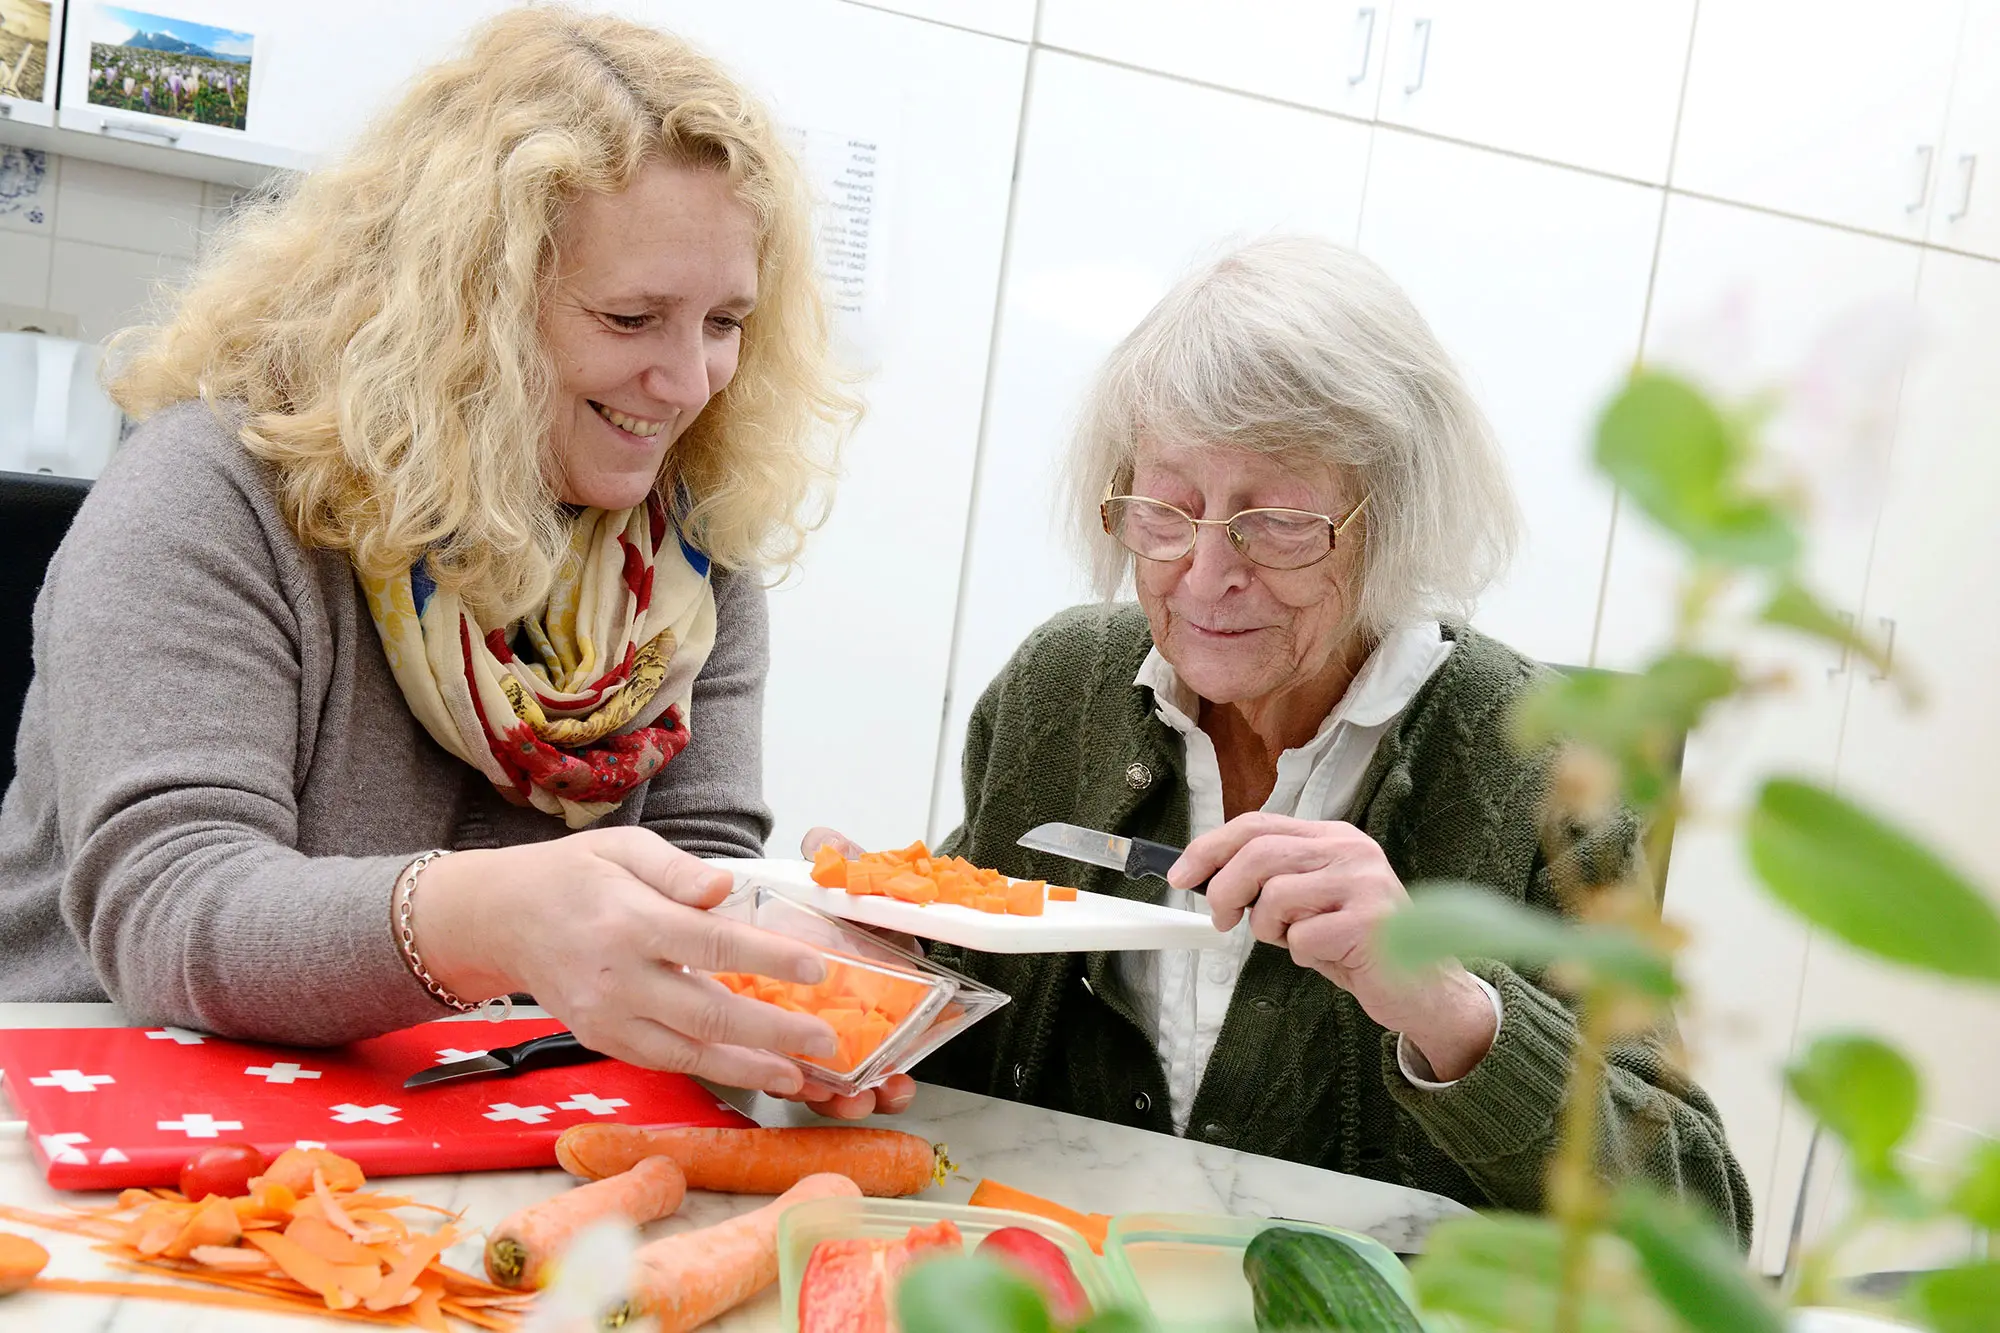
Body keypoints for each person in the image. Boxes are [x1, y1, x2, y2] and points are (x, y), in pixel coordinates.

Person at [0, 8, 871, 1102]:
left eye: (724, 321)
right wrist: (491, 919)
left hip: (468, 1126)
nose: (691, 381)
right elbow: (173, 912)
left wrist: (804, 966)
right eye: (632, 316)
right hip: (97, 1135)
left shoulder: (684, 570)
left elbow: (699, 884)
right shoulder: (210, 495)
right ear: (468, 307)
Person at [815, 236, 1752, 1242]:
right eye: (1166, 511)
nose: (1204, 573)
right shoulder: (1061, 690)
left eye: (1276, 524)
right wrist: (883, 980)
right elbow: (966, 1082)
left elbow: (1698, 1221)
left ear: (1391, 519)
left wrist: (1446, 1008)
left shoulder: (1542, 766)